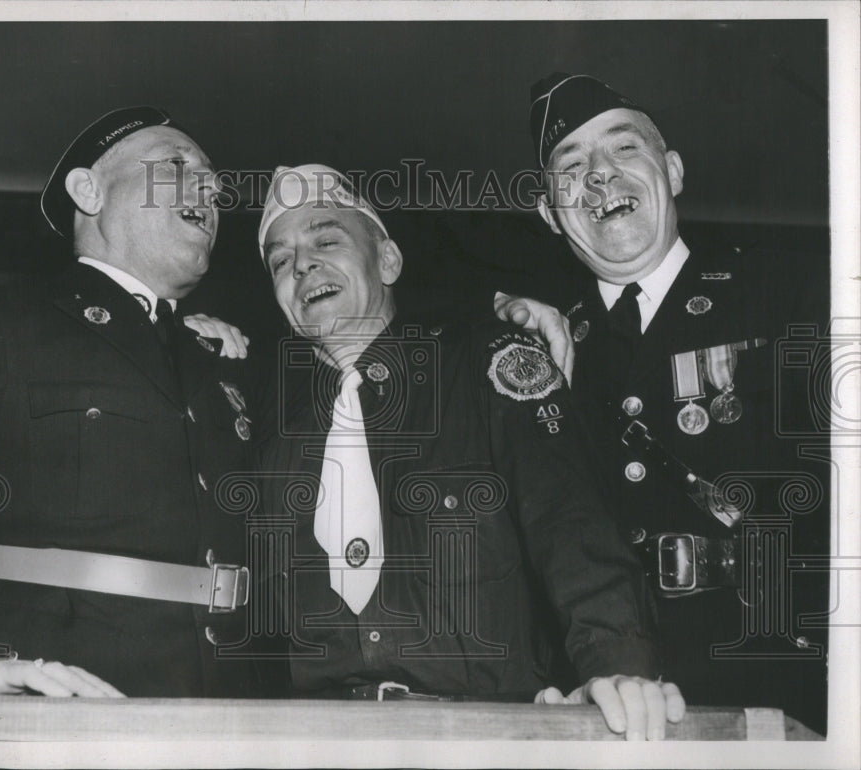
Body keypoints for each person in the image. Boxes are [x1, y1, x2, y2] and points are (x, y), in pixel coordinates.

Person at [250, 164, 686, 740]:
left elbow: (572, 524)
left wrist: (620, 669)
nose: (302, 265)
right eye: (281, 260)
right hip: (322, 739)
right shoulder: (273, 441)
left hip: (483, 735)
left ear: (387, 261)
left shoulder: (488, 362)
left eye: (326, 240)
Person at [496, 73, 830, 732]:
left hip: (779, 675)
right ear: (547, 211)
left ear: (673, 172)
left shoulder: (794, 292)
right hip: (605, 697)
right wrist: (495, 311)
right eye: (571, 168)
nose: (598, 177)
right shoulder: (536, 349)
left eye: (623, 151)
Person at [0, 107, 258, 698]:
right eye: (176, 165)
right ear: (89, 191)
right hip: (63, 699)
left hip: (229, 705)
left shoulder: (220, 359)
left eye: (214, 181)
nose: (210, 188)